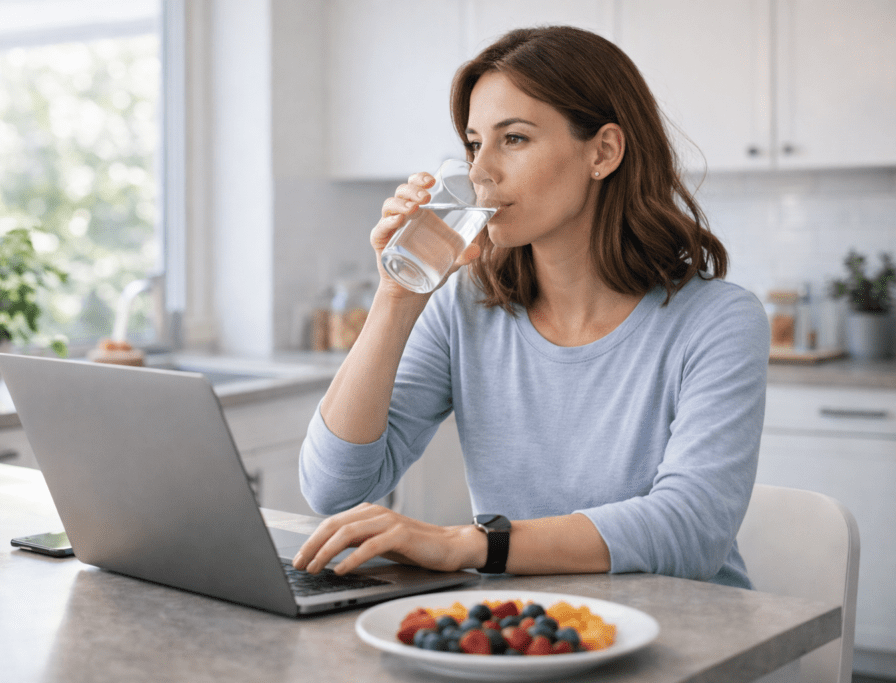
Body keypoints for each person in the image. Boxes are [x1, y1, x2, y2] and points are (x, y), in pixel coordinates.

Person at [292, 26, 769, 588]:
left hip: (687, 640)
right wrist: (398, 296)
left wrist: (464, 544)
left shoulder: (718, 321)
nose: (479, 172)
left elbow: (693, 529)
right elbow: (335, 490)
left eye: (512, 139)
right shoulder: (463, 307)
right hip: (526, 634)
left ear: (604, 151)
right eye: (474, 144)